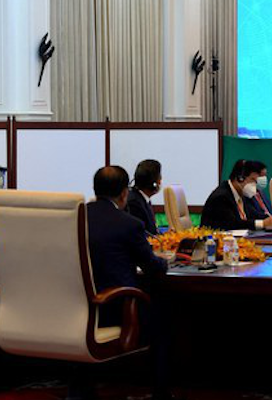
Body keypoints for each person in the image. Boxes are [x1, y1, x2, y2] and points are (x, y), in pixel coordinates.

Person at [86, 166, 174, 399]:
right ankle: (160, 392)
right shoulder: (128, 224)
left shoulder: (74, 218)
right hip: (117, 309)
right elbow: (153, 269)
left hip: (77, 309)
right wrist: (165, 261)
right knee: (165, 317)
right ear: (124, 193)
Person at [201, 159, 272, 231]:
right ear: (239, 178)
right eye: (252, 180)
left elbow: (255, 215)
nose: (254, 185)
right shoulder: (221, 197)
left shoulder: (241, 194)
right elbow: (232, 224)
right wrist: (262, 224)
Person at [127, 159, 162, 236]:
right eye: (159, 177)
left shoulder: (142, 198)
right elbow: (142, 234)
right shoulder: (134, 203)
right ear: (155, 183)